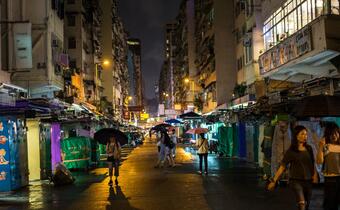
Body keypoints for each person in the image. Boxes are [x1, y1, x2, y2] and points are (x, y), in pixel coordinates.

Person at [267, 125, 318, 210]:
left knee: (306, 205)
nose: (305, 136)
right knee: (302, 204)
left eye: (306, 134)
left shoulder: (309, 148)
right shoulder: (291, 151)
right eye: (302, 134)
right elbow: (282, 167)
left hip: (308, 181)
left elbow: (312, 163)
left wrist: (315, 175)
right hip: (296, 181)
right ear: (296, 136)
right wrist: (273, 180)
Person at [316, 123, 340, 210]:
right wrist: (320, 147)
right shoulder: (326, 146)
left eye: (336, 133)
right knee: (330, 203)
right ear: (327, 135)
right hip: (330, 179)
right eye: (331, 133)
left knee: (337, 202)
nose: (334, 135)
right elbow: (319, 161)